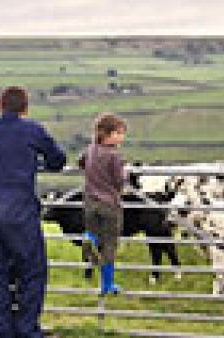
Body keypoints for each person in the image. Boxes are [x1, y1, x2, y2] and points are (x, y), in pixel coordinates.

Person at [0, 87, 66, 338]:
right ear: (25, 108)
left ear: (0, 106)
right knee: (32, 271)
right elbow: (57, 160)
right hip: (18, 212)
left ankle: (4, 330)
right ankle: (26, 329)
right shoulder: (32, 130)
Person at [79, 113, 127, 295]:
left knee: (94, 234)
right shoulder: (115, 156)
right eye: (120, 133)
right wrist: (126, 173)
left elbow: (81, 161)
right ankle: (107, 284)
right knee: (109, 244)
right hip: (110, 204)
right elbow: (119, 181)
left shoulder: (90, 149)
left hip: (90, 202)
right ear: (110, 134)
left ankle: (89, 239)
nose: (122, 137)